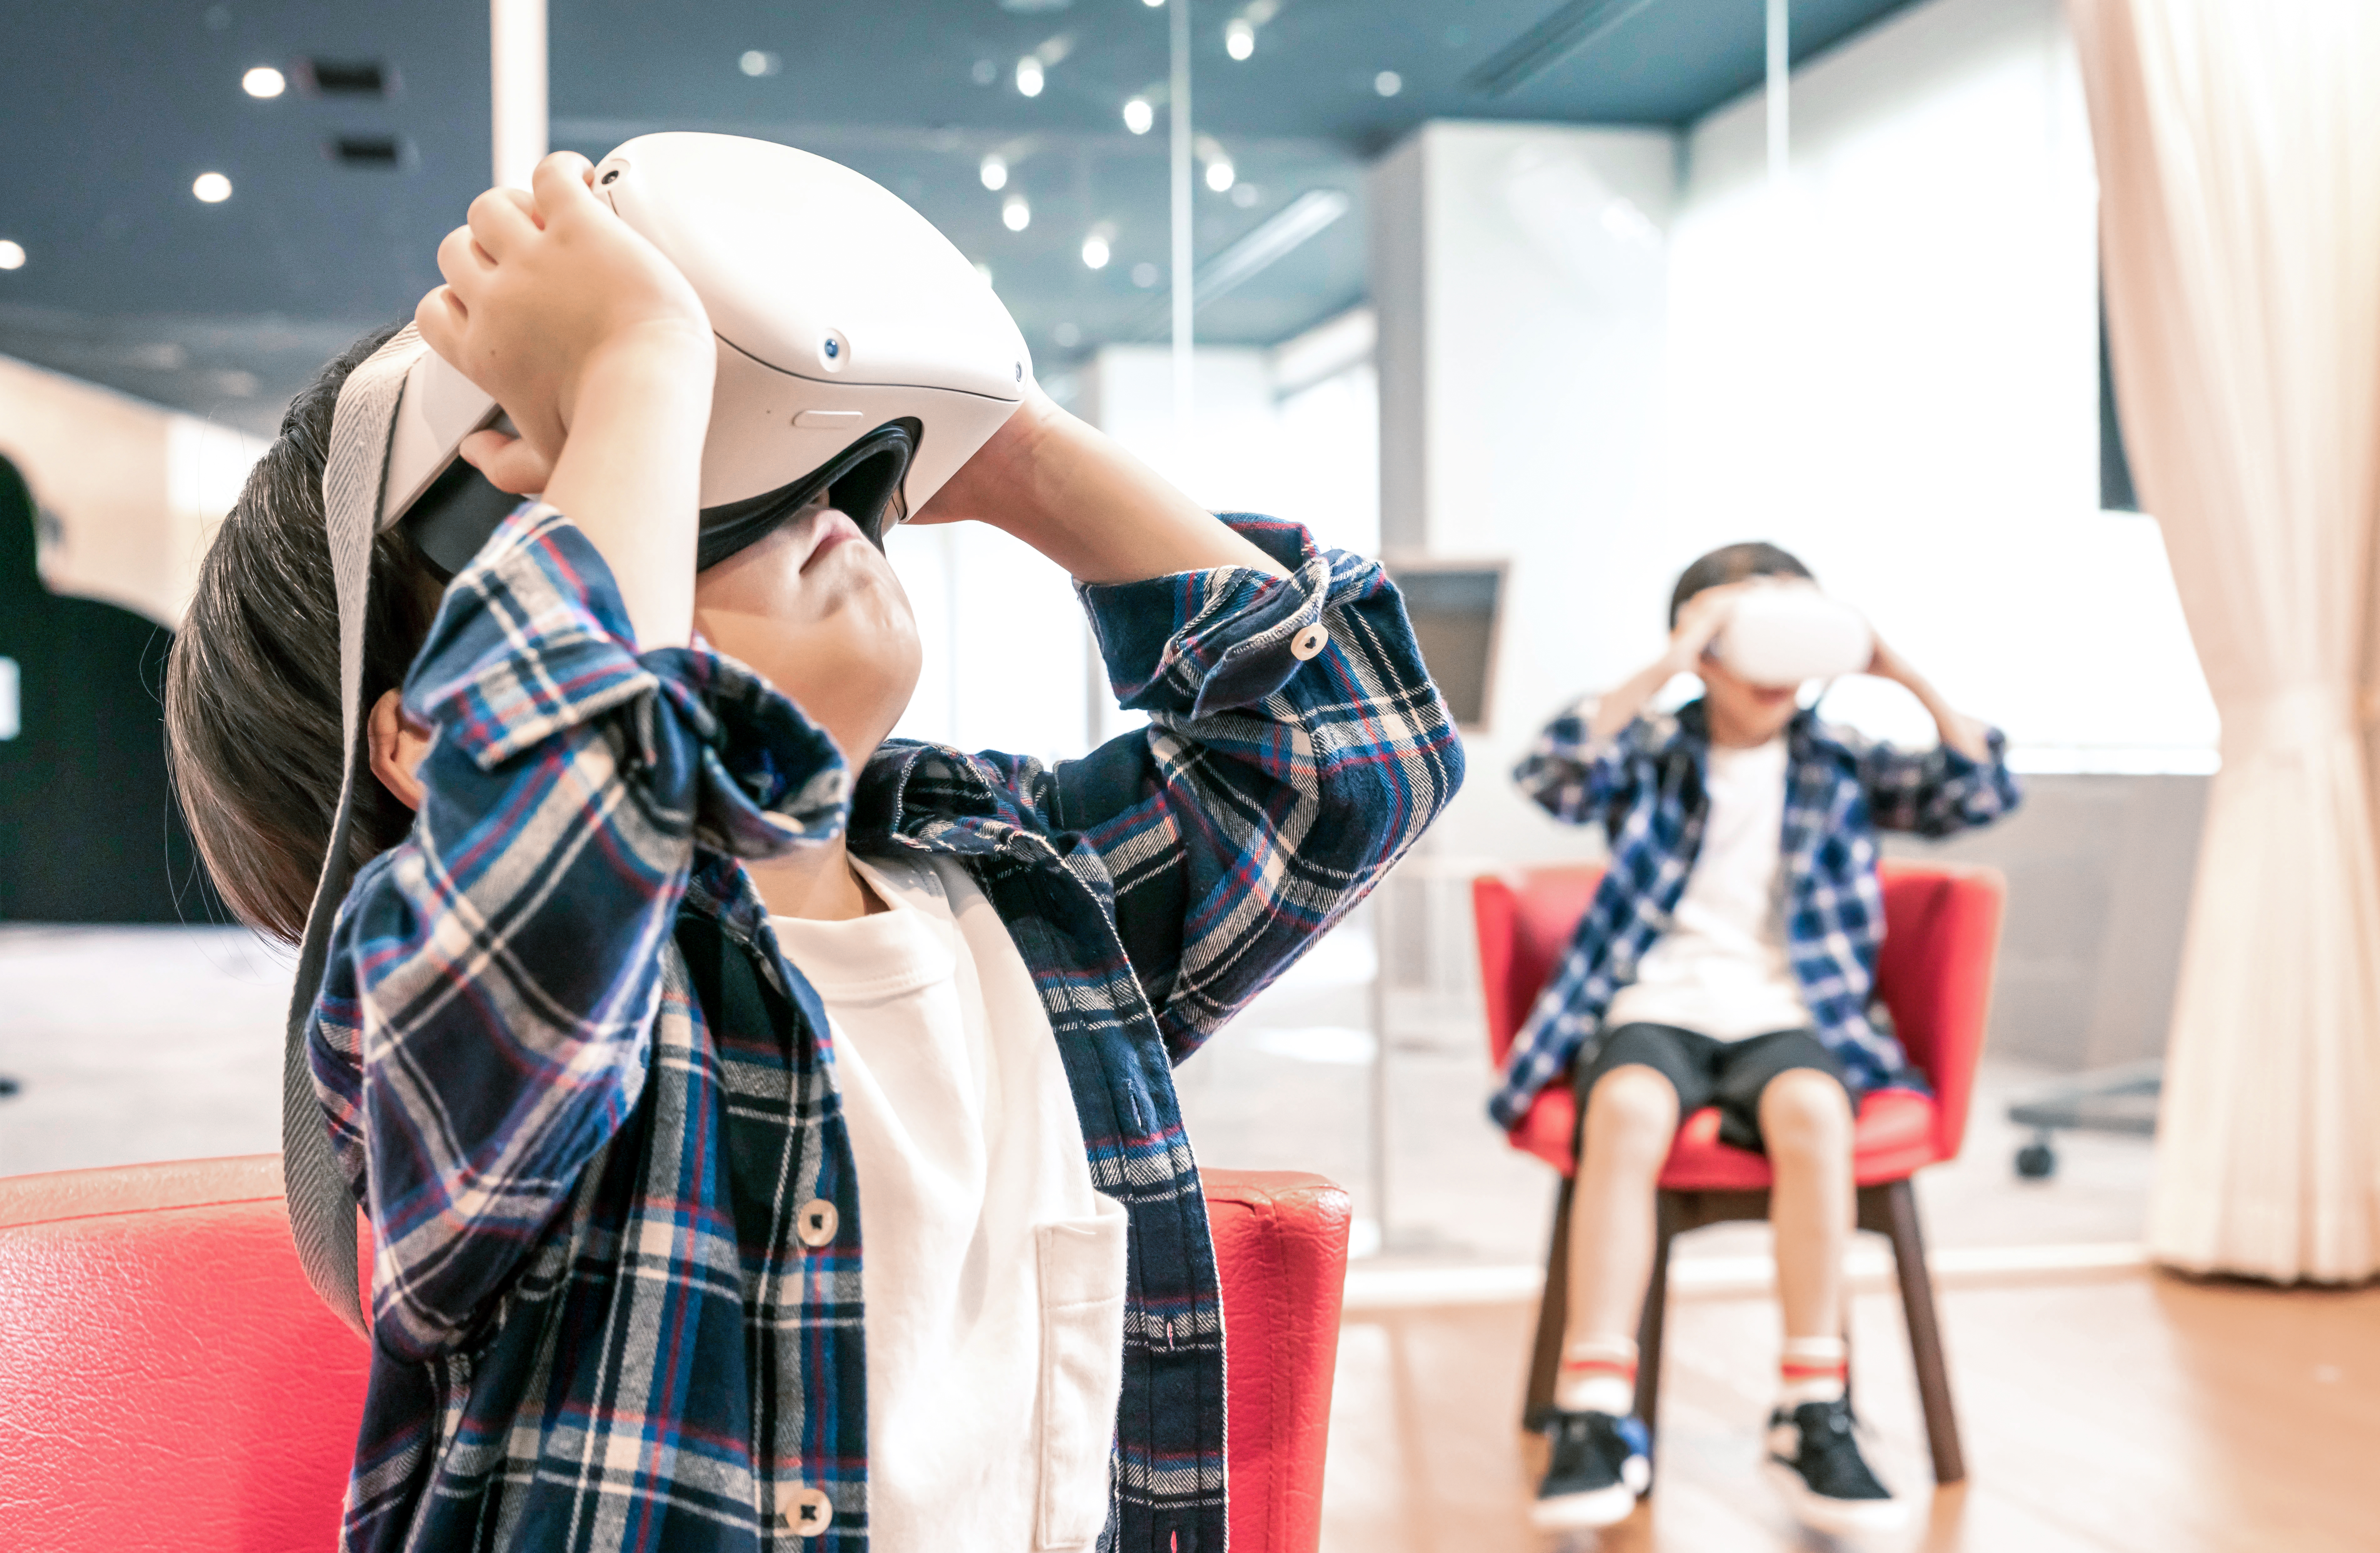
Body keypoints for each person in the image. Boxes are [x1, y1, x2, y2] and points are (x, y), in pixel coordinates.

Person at [163, 153, 1464, 1551]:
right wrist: (637, 375)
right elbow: (565, 829)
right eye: (660, 481)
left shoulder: (1014, 902)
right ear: (429, 738)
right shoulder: (476, 1030)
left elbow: (1344, 759)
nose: (800, 499)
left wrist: (994, 436)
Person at [1490, 541, 2018, 1536]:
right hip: (1657, 1000)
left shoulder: (1841, 760)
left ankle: (1811, 1404)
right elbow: (1554, 772)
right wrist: (1676, 654)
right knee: (1629, 1109)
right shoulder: (1655, 749)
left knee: (1817, 1112)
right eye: (1746, 643)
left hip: (1790, 1013)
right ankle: (1595, 1406)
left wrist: (1893, 666)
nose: (1772, 674)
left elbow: (1979, 789)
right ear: (1704, 654)